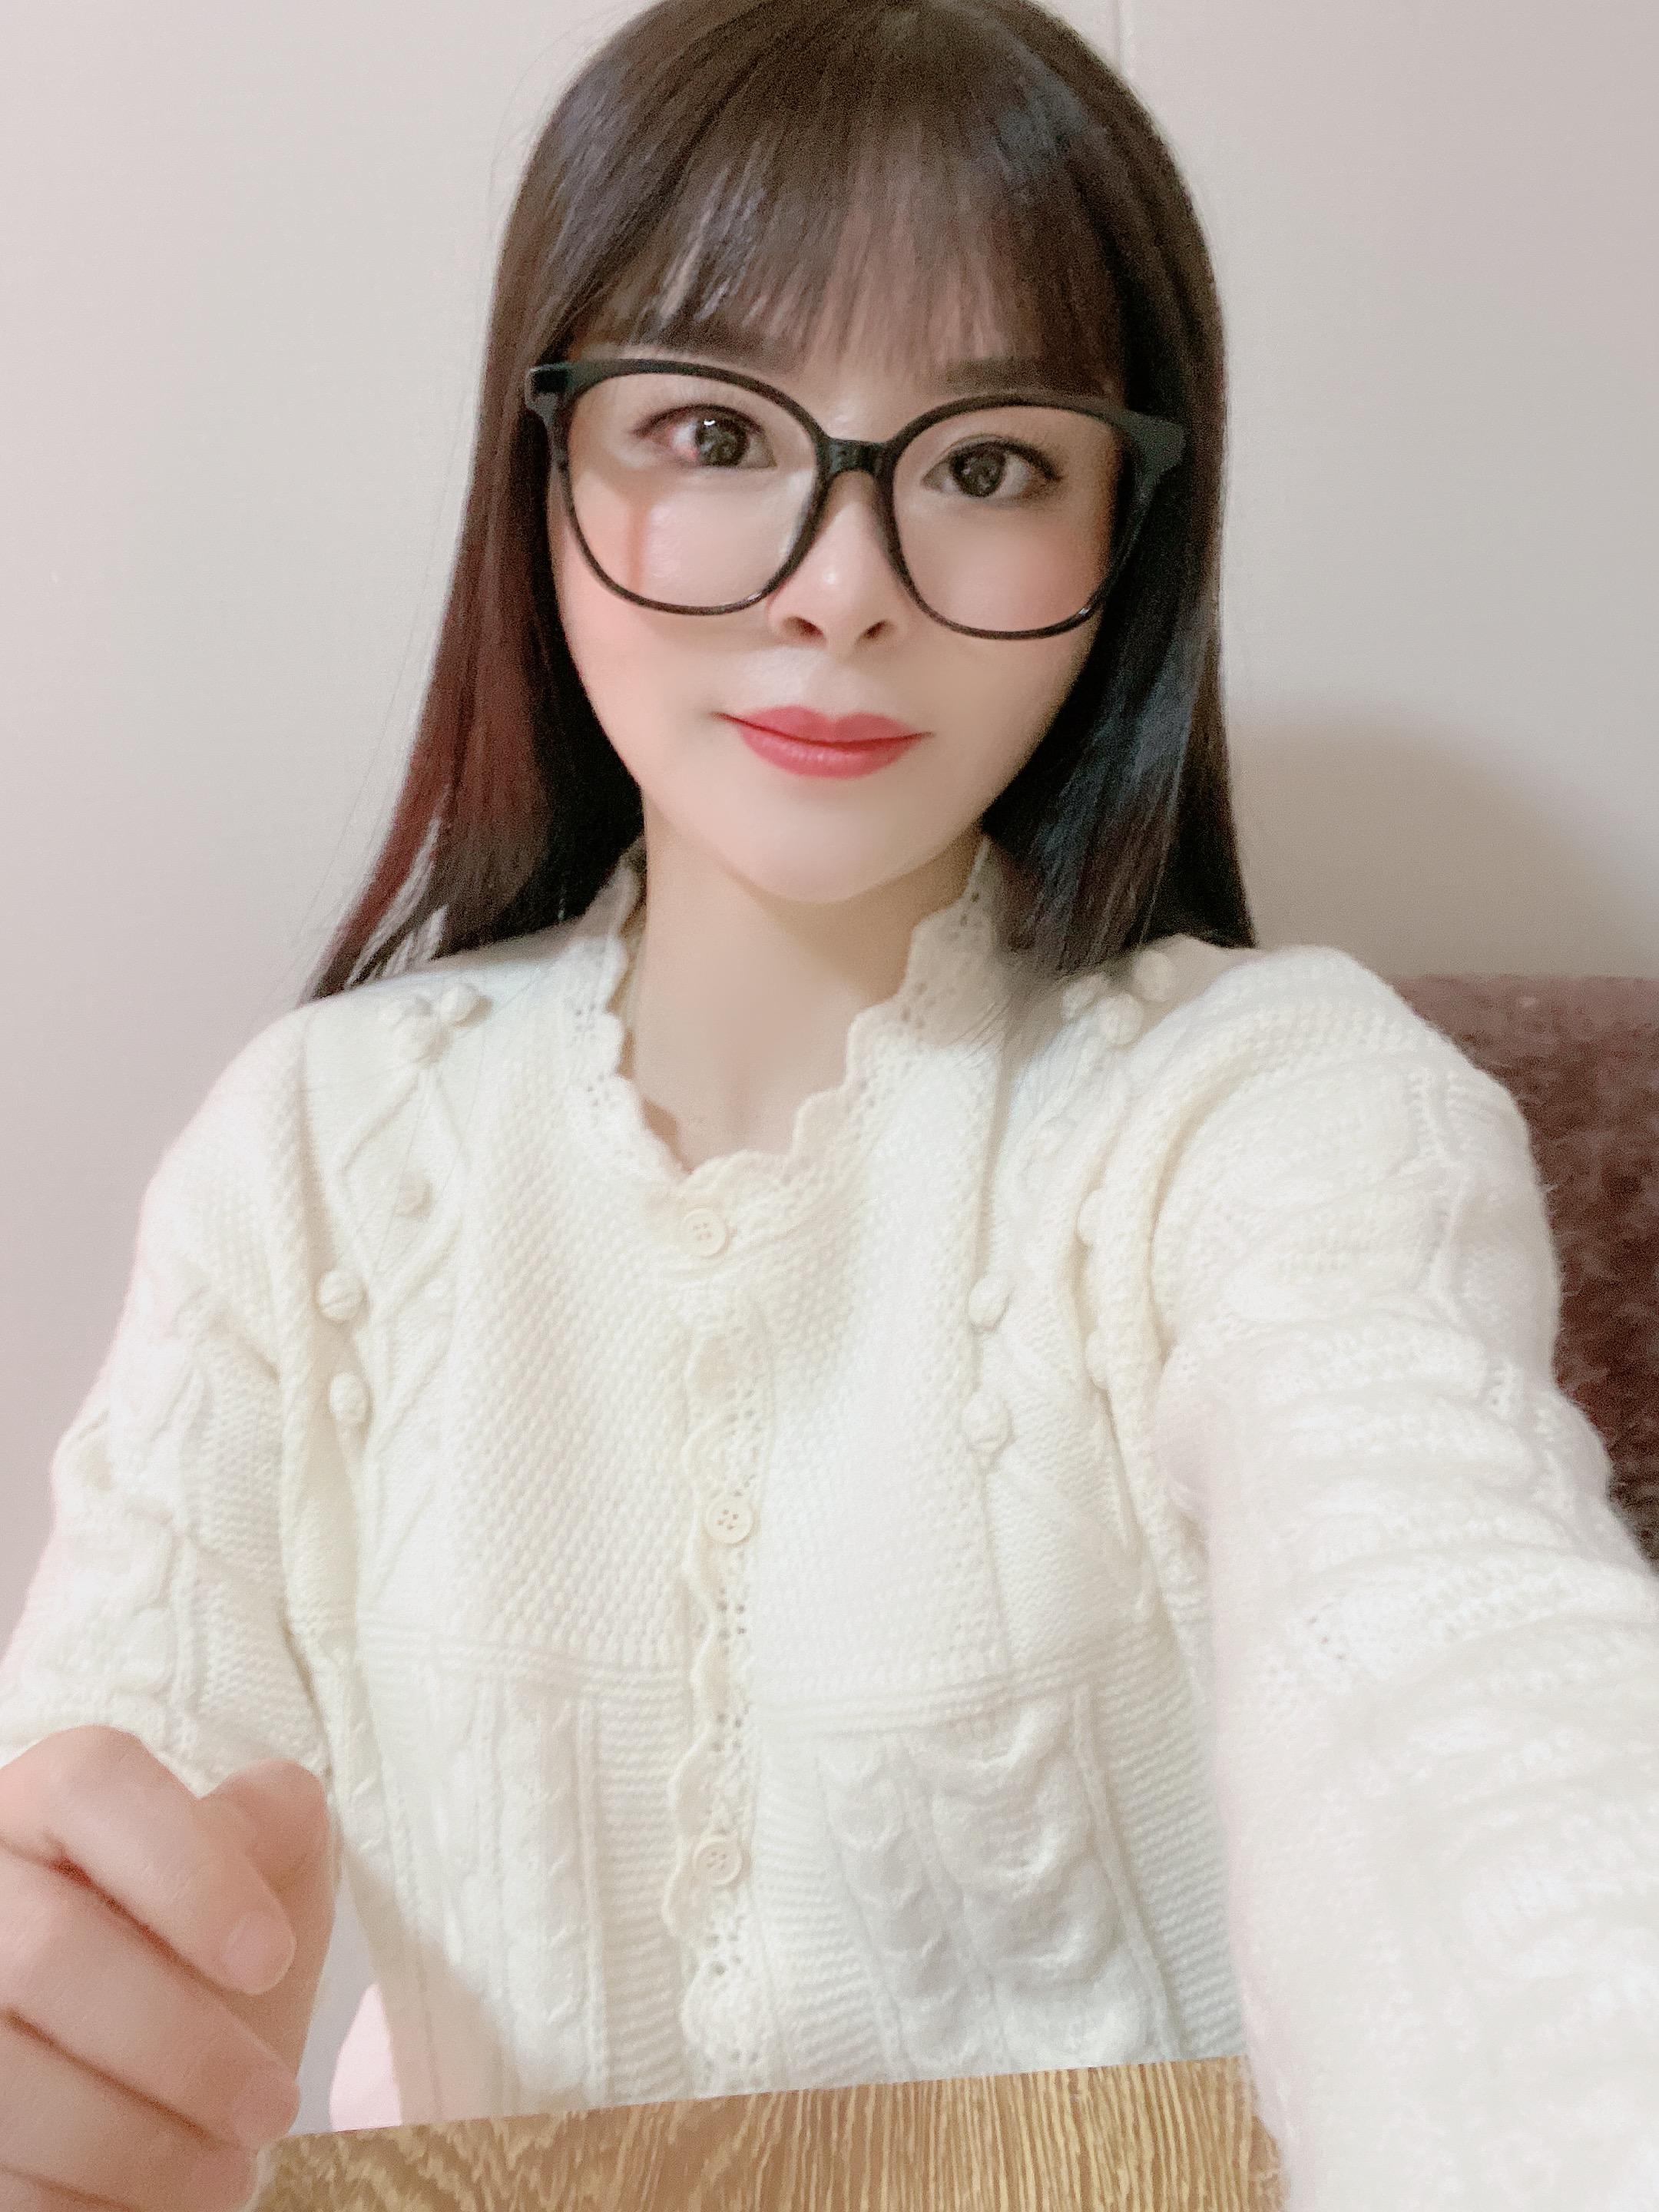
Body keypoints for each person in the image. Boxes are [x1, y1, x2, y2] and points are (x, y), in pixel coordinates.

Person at [3, 2, 1658, 2207]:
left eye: (987, 466)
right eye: (711, 429)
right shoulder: (311, 1154)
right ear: (543, 473)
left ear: (1126, 537)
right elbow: (99, 1833)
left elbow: (1469, 1706)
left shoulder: (1276, 1110)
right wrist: (74, 2043)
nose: (840, 589)